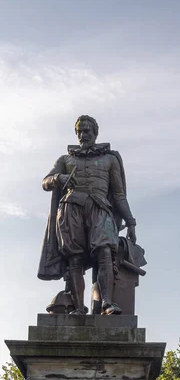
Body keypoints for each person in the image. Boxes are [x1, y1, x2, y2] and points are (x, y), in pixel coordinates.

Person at [38, 115, 137, 315]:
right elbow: (45, 182)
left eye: (87, 131)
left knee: (105, 253)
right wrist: (59, 177)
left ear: (95, 133)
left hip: (100, 208)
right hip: (70, 209)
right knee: (74, 259)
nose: (83, 135)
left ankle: (107, 303)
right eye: (80, 131)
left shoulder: (110, 159)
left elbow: (118, 194)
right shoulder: (65, 159)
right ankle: (77, 307)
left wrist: (131, 222)